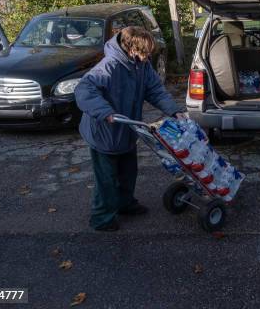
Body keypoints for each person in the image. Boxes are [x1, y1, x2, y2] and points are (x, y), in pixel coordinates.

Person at [75, 26, 185, 231]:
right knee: (107, 179)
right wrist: (105, 111)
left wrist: (174, 111)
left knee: (128, 171)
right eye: (146, 52)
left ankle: (125, 204)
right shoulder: (109, 66)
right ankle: (101, 218)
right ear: (132, 49)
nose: (149, 56)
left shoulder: (141, 66)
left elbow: (155, 90)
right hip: (105, 132)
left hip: (127, 128)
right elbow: (83, 89)